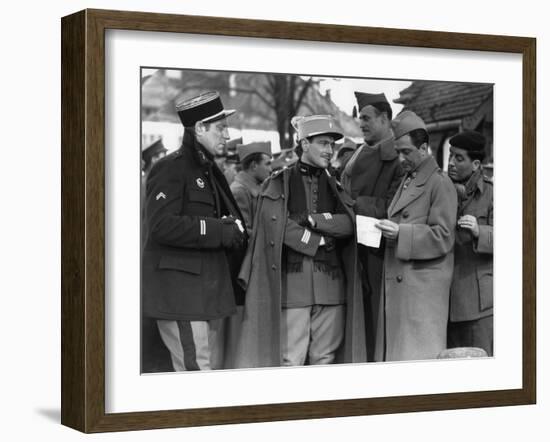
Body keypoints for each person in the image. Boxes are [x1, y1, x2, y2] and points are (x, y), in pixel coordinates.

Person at [235, 115, 366, 368]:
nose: (329, 150)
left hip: (331, 289)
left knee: (325, 361)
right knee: (290, 361)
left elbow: (350, 223)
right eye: (323, 143)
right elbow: (276, 224)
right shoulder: (278, 182)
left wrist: (313, 220)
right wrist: (317, 241)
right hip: (293, 290)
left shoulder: (336, 184)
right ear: (304, 144)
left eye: (332, 145)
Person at [142, 91, 248, 371]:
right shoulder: (171, 169)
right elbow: (161, 225)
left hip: (200, 293)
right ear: (200, 128)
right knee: (195, 372)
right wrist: (218, 230)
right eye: (221, 127)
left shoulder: (206, 169)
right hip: (180, 294)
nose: (226, 135)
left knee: (199, 368)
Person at [375, 111, 457, 361]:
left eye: (406, 152)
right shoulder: (409, 180)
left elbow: (443, 236)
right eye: (399, 152)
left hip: (421, 297)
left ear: (424, 148)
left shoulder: (439, 183)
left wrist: (401, 232)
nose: (401, 159)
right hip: (405, 292)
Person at [340, 92, 404, 361]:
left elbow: (394, 208)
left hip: (380, 252)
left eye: (366, 118)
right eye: (359, 118)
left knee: (376, 321)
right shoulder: (357, 154)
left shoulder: (400, 157)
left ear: (385, 119)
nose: (360, 123)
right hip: (352, 248)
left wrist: (350, 204)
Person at [447, 130, 493, 356]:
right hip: (445, 301)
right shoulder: (442, 189)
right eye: (449, 156)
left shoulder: (493, 194)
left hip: (478, 305)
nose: (451, 163)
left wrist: (479, 231)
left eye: (458, 158)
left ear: (476, 164)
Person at [140, 138, 172, 373]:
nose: (165, 159)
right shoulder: (147, 183)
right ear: (153, 159)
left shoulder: (156, 181)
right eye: (161, 155)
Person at [231, 141, 273, 233]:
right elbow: (244, 232)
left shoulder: (259, 188)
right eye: (267, 164)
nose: (270, 169)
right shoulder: (239, 191)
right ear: (254, 166)